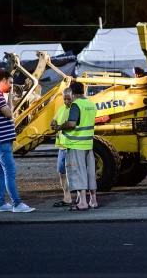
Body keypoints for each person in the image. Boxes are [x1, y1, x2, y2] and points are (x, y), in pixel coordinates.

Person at [0, 71, 34, 213]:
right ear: (2, 80)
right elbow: (9, 113)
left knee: (1, 171)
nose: (11, 85)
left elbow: (10, 110)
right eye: (10, 82)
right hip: (1, 140)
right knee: (10, 170)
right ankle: (17, 204)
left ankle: (0, 204)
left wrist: (10, 93)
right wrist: (10, 95)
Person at [52, 81, 97, 211]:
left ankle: (82, 202)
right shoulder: (90, 104)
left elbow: (72, 124)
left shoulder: (76, 104)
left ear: (71, 92)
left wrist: (60, 127)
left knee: (78, 173)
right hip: (88, 143)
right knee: (90, 173)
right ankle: (93, 201)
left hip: (76, 144)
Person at [50, 88, 74, 207]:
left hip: (71, 146)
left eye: (68, 99)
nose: (66, 101)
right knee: (62, 173)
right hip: (62, 147)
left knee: (74, 174)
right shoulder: (62, 108)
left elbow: (71, 125)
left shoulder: (75, 110)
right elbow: (54, 120)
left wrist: (59, 127)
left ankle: (81, 199)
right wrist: (53, 123)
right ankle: (67, 197)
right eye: (64, 99)